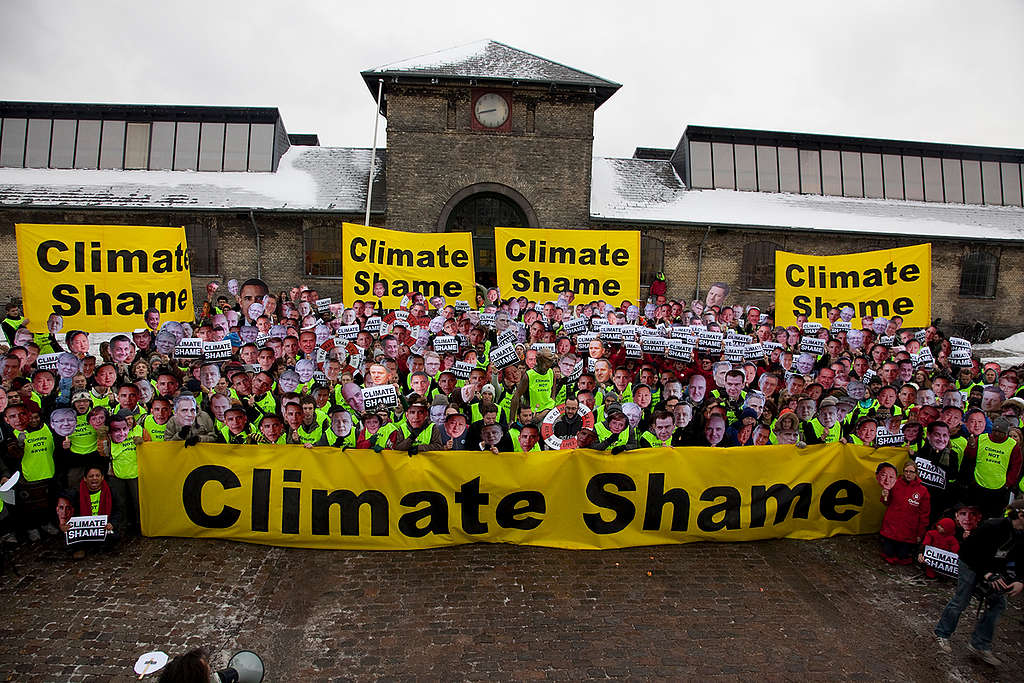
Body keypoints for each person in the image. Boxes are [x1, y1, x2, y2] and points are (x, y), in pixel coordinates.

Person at [934, 505, 1024, 665]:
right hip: (971, 564)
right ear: (1021, 514)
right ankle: (942, 633)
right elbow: (968, 551)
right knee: (961, 600)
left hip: (995, 568)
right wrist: (986, 573)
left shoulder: (1020, 534)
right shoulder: (993, 526)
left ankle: (979, 644)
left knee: (998, 603)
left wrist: (1019, 580)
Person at [879, 460, 930, 565]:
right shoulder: (895, 483)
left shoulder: (923, 490)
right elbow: (886, 502)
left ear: (916, 473)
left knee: (902, 556)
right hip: (891, 528)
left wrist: (920, 533)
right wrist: (885, 495)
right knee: (888, 553)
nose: (908, 474)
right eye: (906, 471)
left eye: (911, 472)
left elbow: (924, 514)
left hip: (908, 531)